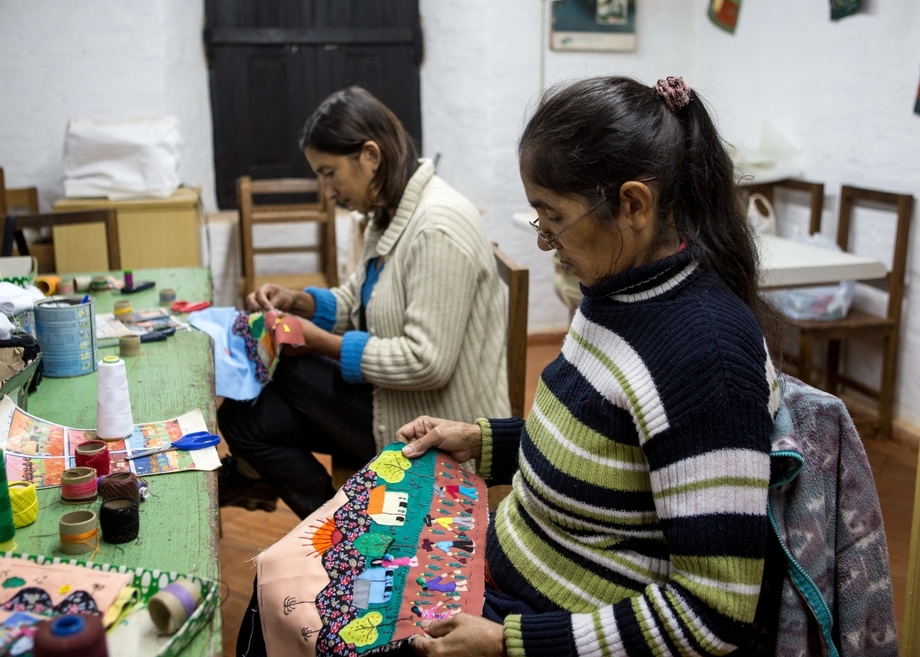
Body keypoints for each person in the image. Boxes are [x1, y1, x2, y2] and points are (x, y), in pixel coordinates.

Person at [396, 75, 782, 656]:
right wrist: (483, 441)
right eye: (540, 221)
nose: (547, 242)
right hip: (506, 581)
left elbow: (713, 614)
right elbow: (604, 446)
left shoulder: (708, 357)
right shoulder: (616, 292)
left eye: (555, 221)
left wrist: (509, 643)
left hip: (546, 628)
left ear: (633, 204)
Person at [219, 86, 510, 520]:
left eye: (329, 172)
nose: (328, 190)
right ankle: (333, 524)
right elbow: (359, 301)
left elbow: (427, 361)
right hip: (397, 400)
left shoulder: (435, 228)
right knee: (245, 418)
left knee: (288, 369)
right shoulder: (388, 212)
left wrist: (319, 342)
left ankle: (329, 525)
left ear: (370, 155)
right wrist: (296, 302)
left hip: (440, 424)